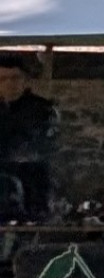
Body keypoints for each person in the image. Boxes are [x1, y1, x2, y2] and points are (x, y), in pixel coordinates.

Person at [0, 53, 60, 221]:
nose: (9, 84)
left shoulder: (42, 110)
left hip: (32, 181)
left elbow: (41, 143)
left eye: (15, 78)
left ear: (25, 80)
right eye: (3, 79)